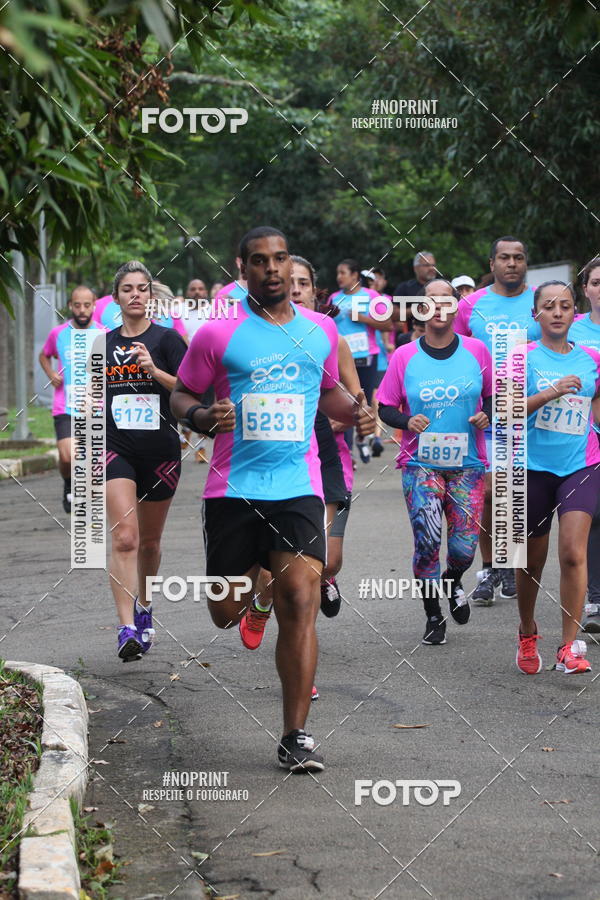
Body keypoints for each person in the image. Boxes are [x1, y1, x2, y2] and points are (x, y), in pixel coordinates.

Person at [171, 227, 373, 773]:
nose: (272, 269)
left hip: (297, 489)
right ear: (244, 269)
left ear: (290, 267)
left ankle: (295, 735)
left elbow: (328, 393)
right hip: (232, 491)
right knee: (223, 610)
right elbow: (181, 392)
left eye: (280, 259)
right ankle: (256, 576)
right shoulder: (218, 335)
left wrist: (355, 409)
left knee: (301, 602)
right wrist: (200, 417)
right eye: (260, 261)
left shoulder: (322, 330)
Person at [378, 279, 492, 645]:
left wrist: (486, 415)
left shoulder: (477, 351)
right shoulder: (404, 356)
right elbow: (385, 406)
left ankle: (453, 579)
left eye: (446, 300)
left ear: (456, 306)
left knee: (463, 548)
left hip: (469, 465)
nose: (439, 306)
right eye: (431, 300)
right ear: (420, 308)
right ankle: (432, 614)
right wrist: (406, 421)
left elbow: (493, 397)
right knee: (427, 541)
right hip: (420, 465)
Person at [104, 261, 188, 662]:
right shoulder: (101, 346)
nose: (135, 294)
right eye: (127, 289)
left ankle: (144, 604)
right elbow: (91, 401)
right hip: (115, 448)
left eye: (142, 288)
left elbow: (192, 391)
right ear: (116, 297)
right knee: (125, 538)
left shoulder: (168, 340)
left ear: (150, 297)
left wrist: (154, 370)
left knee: (150, 543)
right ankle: (124, 629)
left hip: (161, 451)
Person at [516, 281, 600, 675]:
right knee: (531, 561)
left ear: (574, 312)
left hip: (580, 464)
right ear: (536, 314)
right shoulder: (522, 358)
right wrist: (549, 393)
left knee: (572, 552)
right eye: (549, 306)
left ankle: (569, 645)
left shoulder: (590, 360)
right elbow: (504, 410)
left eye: (565, 306)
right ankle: (528, 629)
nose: (557, 312)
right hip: (532, 466)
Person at [454, 236, 541, 606]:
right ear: (492, 264)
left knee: (516, 492)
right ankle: (491, 566)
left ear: (525, 263)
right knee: (489, 492)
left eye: (518, 257)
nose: (511, 263)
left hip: (533, 411)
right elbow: (455, 351)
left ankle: (511, 562)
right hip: (485, 411)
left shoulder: (543, 300)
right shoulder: (471, 304)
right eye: (504, 258)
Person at [290, 254, 360, 622]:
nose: (296, 290)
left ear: (316, 294)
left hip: (331, 455)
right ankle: (274, 610)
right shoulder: (265, 341)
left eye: (303, 284)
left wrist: (349, 414)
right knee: (296, 559)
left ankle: (324, 579)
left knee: (329, 560)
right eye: (290, 283)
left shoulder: (333, 339)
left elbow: (356, 401)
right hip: (286, 459)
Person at [39, 286, 104, 513]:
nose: (82, 310)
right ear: (70, 306)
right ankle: (69, 483)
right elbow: (44, 355)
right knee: (68, 457)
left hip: (95, 406)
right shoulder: (58, 333)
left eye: (87, 305)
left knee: (90, 459)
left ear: (94, 305)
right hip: (64, 406)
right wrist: (51, 374)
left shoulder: (104, 334)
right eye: (77, 305)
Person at [328, 258, 392, 463]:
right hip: (340, 359)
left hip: (367, 357)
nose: (339, 277)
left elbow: (387, 325)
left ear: (355, 276)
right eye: (337, 273)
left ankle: (364, 439)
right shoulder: (333, 298)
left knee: (361, 400)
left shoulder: (372, 296)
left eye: (343, 273)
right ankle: (346, 451)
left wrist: (363, 319)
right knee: (343, 403)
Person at [568, 258, 600, 632]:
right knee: (592, 516)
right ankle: (594, 597)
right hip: (582, 436)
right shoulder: (572, 329)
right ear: (586, 289)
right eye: (595, 282)